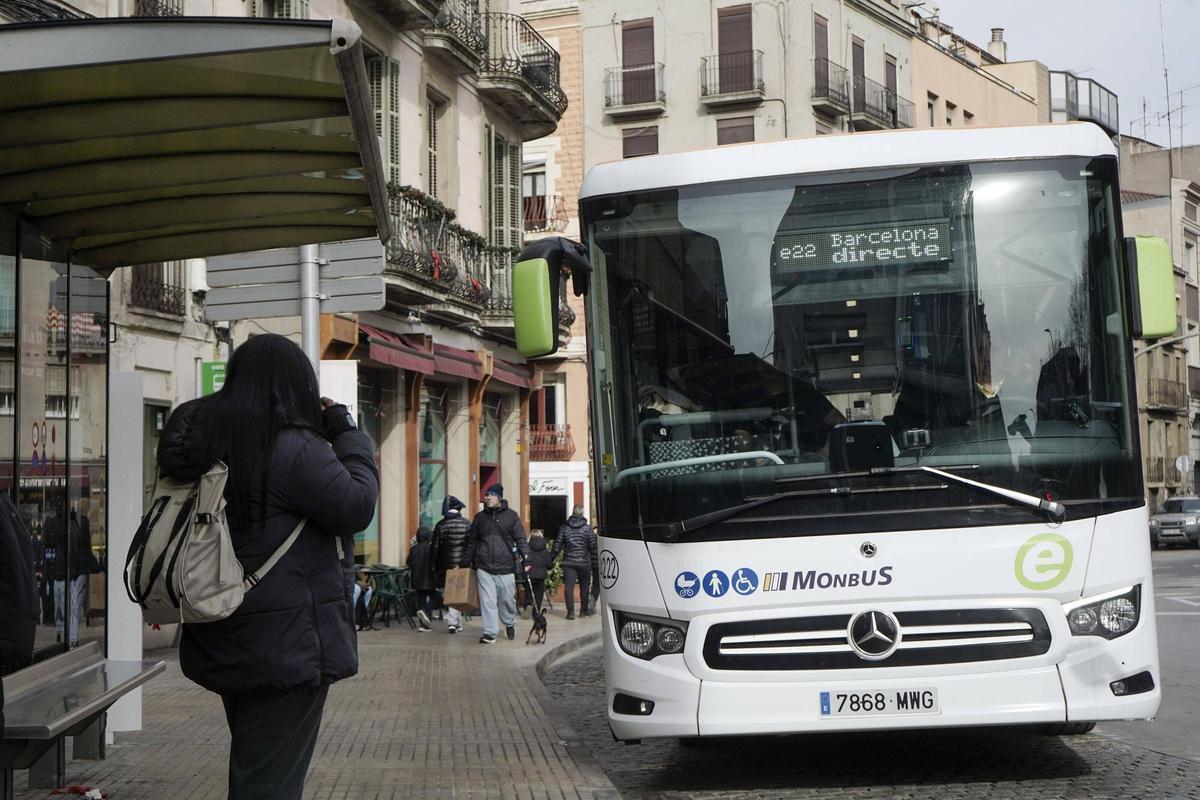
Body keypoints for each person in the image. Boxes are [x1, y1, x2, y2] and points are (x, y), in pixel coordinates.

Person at [157, 334, 379, 800]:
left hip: (223, 631)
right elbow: (356, 504)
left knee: (256, 769)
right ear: (295, 386)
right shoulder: (293, 448)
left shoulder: (206, 444)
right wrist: (347, 433)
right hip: (286, 647)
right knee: (268, 785)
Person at [463, 484, 529, 644]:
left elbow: (520, 538)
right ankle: (490, 632)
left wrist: (527, 558)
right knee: (488, 601)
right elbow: (471, 542)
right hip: (484, 566)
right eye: (486, 495)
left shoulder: (512, 516)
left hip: (506, 565)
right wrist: (464, 562)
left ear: (499, 497)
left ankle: (509, 622)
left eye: (491, 495)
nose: (487, 498)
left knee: (507, 600)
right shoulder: (480, 518)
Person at [551, 506, 598, 620]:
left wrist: (551, 558)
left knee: (569, 587)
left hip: (569, 562)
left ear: (572, 513)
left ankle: (570, 612)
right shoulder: (587, 529)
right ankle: (583, 611)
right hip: (584, 562)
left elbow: (557, 545)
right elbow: (593, 546)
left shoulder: (564, 528)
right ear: (582, 514)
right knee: (585, 587)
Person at [406, 526, 436, 631]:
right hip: (430, 579)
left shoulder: (413, 549)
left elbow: (408, 563)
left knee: (421, 600)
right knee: (434, 598)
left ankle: (423, 625)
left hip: (417, 580)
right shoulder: (432, 549)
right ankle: (426, 612)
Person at [525, 530, 552, 613]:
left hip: (530, 573)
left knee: (529, 591)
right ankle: (536, 609)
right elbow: (549, 564)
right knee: (539, 593)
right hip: (541, 574)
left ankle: (528, 604)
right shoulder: (544, 549)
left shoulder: (527, 548)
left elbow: (525, 560)